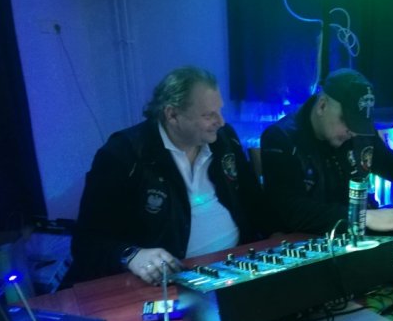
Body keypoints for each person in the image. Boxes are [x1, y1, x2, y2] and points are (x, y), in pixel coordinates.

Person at [68, 66, 271, 285]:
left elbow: (253, 200)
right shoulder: (123, 154)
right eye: (208, 115)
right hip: (168, 283)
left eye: (219, 111)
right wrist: (132, 255)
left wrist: (274, 235)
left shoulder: (224, 139)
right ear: (172, 114)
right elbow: (87, 242)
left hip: (236, 266)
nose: (221, 122)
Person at [260, 68, 393, 235]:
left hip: (354, 231)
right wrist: (361, 216)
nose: (353, 132)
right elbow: (292, 210)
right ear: (322, 106)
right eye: (348, 122)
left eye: (359, 123)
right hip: (307, 237)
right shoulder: (280, 137)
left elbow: (389, 163)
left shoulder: (357, 132)